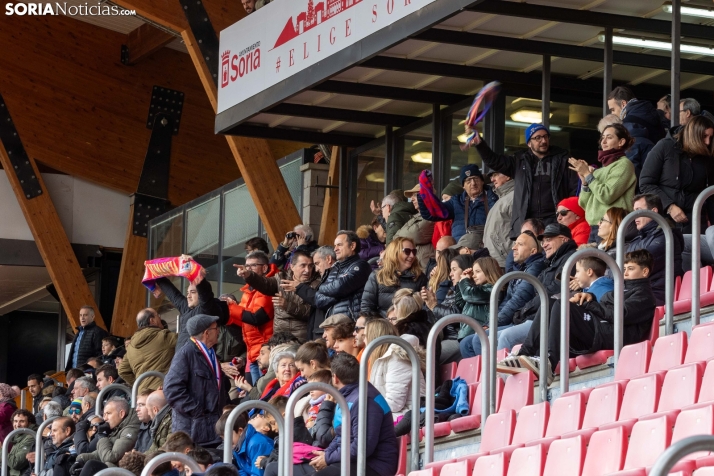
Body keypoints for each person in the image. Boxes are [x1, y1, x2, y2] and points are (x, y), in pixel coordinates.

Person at [510, 250, 655, 384]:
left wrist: (589, 303)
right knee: (551, 303)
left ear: (645, 271)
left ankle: (549, 361)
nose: (625, 273)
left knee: (562, 305)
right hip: (601, 330)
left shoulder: (644, 295)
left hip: (612, 336)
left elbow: (620, 315)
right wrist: (589, 297)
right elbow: (605, 305)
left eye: (631, 269)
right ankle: (524, 354)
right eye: (624, 269)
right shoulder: (622, 289)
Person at [291, 353, 398, 476]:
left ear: (335, 378)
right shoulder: (348, 397)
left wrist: (328, 458)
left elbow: (362, 448)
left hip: (375, 466)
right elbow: (340, 435)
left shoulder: (365, 400)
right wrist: (327, 455)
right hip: (355, 460)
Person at [470, 123, 577, 241]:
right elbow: (493, 161)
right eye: (538, 138)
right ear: (529, 143)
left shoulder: (562, 158)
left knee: (551, 255)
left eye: (545, 136)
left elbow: (574, 188)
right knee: (519, 258)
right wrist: (479, 143)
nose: (543, 140)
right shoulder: (519, 161)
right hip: (527, 221)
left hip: (555, 219)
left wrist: (568, 212)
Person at [460, 230, 546, 358]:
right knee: (466, 343)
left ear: (533, 251)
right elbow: (506, 301)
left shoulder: (535, 267)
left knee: (479, 339)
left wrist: (493, 324)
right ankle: (486, 375)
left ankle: (495, 375)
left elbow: (519, 299)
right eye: (515, 244)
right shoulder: (519, 270)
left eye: (520, 244)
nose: (513, 247)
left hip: (522, 319)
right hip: (514, 319)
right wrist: (490, 324)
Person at [640, 115, 714, 234]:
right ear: (693, 134)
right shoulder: (665, 146)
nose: (707, 142)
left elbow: (711, 195)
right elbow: (646, 183)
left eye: (710, 137)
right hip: (664, 219)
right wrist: (670, 206)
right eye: (704, 136)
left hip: (695, 221)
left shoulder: (707, 156)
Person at [164, 314, 229, 446]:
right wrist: (198, 411)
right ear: (207, 333)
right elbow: (172, 390)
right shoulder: (185, 354)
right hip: (194, 431)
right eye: (216, 328)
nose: (219, 331)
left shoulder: (210, 353)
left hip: (212, 428)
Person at [574, 123, 637, 242]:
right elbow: (584, 204)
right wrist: (585, 182)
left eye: (609, 137)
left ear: (621, 142)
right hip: (595, 228)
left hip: (613, 226)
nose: (603, 142)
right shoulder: (599, 171)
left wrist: (588, 175)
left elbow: (606, 195)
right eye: (602, 138)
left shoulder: (624, 164)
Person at [244, 250, 320, 343]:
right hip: (280, 337)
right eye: (303, 265)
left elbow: (311, 313)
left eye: (310, 266)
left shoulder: (317, 283)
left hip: (302, 339)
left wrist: (287, 305)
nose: (307, 270)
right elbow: (265, 284)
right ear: (292, 266)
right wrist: (249, 275)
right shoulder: (281, 277)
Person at [627, 194, 684, 305]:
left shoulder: (666, 235)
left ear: (653, 211)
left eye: (638, 210)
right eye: (633, 211)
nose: (635, 216)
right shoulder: (637, 240)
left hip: (657, 295)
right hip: (638, 294)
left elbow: (640, 263)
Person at [416, 164, 498, 242]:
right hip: (460, 250)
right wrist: (425, 191)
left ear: (482, 181)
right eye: (468, 181)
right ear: (463, 186)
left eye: (476, 179)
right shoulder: (456, 202)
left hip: (486, 250)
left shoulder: (494, 199)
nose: (473, 183)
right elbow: (432, 213)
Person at [155, 258, 222, 350]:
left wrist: (196, 274)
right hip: (181, 359)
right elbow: (173, 293)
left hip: (195, 361)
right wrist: (156, 272)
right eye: (187, 293)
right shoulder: (186, 308)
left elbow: (205, 292)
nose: (188, 296)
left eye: (193, 292)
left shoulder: (206, 308)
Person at [231, 251, 277, 384]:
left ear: (264, 268)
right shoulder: (247, 291)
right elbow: (243, 320)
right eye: (246, 266)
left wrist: (231, 309)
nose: (247, 269)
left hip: (265, 354)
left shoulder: (269, 287)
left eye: (252, 266)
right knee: (254, 397)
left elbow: (257, 318)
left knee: (262, 397)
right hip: (252, 354)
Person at [365, 320, 425, 419]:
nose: (364, 341)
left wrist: (367, 409)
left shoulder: (397, 358)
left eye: (365, 336)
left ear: (373, 337)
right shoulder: (385, 359)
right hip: (396, 415)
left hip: (408, 417)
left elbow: (395, 403)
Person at [607, 86, 665, 179]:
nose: (612, 114)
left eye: (613, 110)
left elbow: (631, 162)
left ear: (623, 104)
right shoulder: (654, 116)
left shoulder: (629, 125)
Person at [361, 237, 427, 316]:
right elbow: (367, 307)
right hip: (383, 325)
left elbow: (424, 309)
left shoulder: (419, 277)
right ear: (395, 253)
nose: (412, 255)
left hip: (408, 325)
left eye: (414, 251)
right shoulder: (377, 275)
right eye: (407, 251)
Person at [313, 231, 372, 320]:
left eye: (339, 245)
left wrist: (322, 288)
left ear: (352, 246)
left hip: (351, 322)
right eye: (335, 245)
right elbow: (318, 300)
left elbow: (339, 287)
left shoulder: (361, 266)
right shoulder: (335, 269)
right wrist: (341, 293)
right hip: (334, 323)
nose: (335, 249)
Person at [422, 252, 468, 364]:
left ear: (465, 271)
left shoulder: (468, 292)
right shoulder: (451, 291)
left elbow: (456, 315)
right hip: (445, 337)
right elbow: (438, 318)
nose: (450, 274)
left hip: (457, 338)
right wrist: (430, 304)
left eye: (454, 269)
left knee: (426, 358)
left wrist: (434, 306)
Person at [118, 308, 177, 394]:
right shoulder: (164, 336)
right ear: (152, 320)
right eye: (158, 316)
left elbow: (122, 370)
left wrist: (140, 383)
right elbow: (189, 340)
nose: (160, 319)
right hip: (161, 392)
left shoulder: (131, 346)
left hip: (142, 394)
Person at [73, 397, 139, 472]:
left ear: (121, 414)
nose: (105, 418)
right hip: (113, 469)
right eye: (104, 414)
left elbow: (110, 457)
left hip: (123, 472)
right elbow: (99, 453)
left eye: (108, 413)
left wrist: (102, 437)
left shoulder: (130, 429)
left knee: (92, 465)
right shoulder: (116, 428)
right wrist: (81, 459)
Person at [295, 246, 337, 340]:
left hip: (325, 335)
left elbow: (322, 301)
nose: (316, 269)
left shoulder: (336, 278)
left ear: (328, 259)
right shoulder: (327, 279)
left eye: (317, 264)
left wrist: (299, 288)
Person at [458, 257, 504, 332]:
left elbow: (467, 295)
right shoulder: (479, 289)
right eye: (473, 272)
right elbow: (459, 302)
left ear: (489, 271)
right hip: (468, 331)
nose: (473, 275)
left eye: (478, 271)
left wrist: (464, 281)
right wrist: (464, 282)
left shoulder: (492, 289)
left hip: (477, 332)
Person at [394, 185, 435, 268]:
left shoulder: (432, 215)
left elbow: (413, 234)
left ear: (427, 196)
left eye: (415, 195)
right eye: (411, 196)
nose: (412, 199)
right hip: (416, 268)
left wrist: (400, 235)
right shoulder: (416, 216)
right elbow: (395, 237)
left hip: (426, 269)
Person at [484, 171, 515, 267]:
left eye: (495, 175)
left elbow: (520, 231)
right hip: (497, 261)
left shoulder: (513, 198)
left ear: (508, 176)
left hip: (505, 261)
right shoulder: (502, 199)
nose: (492, 179)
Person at [66, 306, 108, 370]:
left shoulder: (98, 332)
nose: (82, 318)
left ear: (92, 317)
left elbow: (101, 355)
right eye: (80, 315)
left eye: (85, 315)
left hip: (87, 372)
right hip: (74, 372)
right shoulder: (78, 333)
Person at [431, 181, 463, 248]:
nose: (443, 202)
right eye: (442, 199)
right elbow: (435, 241)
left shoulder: (460, 219)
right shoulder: (440, 221)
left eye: (446, 198)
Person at [6, 410, 36, 476]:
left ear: (30, 423)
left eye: (22, 421)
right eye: (15, 421)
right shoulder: (19, 436)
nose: (17, 425)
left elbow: (15, 463)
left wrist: (2, 451)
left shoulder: (31, 437)